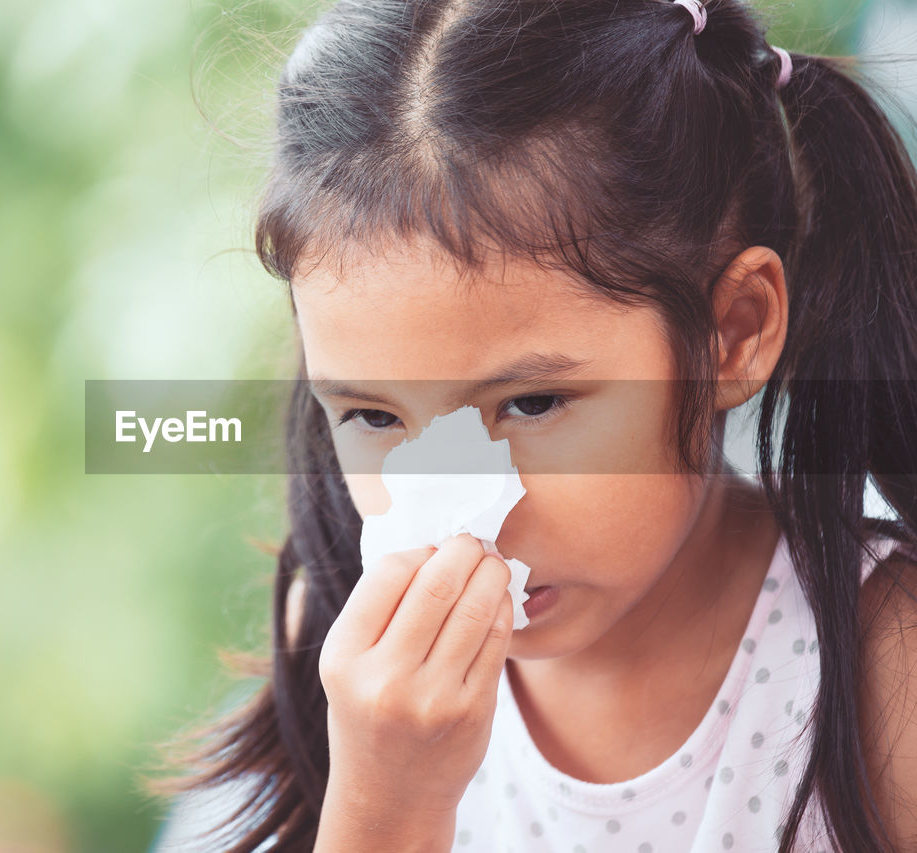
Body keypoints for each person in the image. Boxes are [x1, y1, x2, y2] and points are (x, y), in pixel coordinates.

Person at [148, 0, 917, 849]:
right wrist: (385, 804)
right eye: (372, 413)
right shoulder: (347, 661)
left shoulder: (883, 666)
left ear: (730, 332)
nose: (465, 516)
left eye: (532, 404)